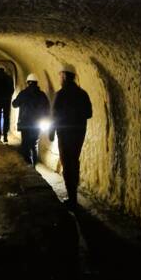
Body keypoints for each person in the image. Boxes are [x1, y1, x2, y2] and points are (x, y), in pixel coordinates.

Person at [49, 63, 92, 210]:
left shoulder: (60, 95)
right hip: (79, 133)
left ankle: (72, 199)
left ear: (65, 76)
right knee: (74, 161)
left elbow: (54, 116)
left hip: (64, 134)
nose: (59, 78)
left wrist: (51, 133)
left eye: (60, 75)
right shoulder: (83, 94)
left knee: (67, 164)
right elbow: (89, 113)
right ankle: (74, 195)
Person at [12, 73, 50, 167]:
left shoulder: (23, 93)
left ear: (28, 82)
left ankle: (27, 163)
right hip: (37, 124)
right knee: (34, 144)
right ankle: (35, 165)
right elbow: (47, 109)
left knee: (25, 143)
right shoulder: (42, 95)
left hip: (25, 123)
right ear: (36, 83)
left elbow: (14, 104)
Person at [0, 64, 14, 142]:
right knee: (6, 118)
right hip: (6, 100)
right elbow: (12, 89)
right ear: (4, 70)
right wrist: (8, 96)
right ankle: (5, 136)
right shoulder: (9, 78)